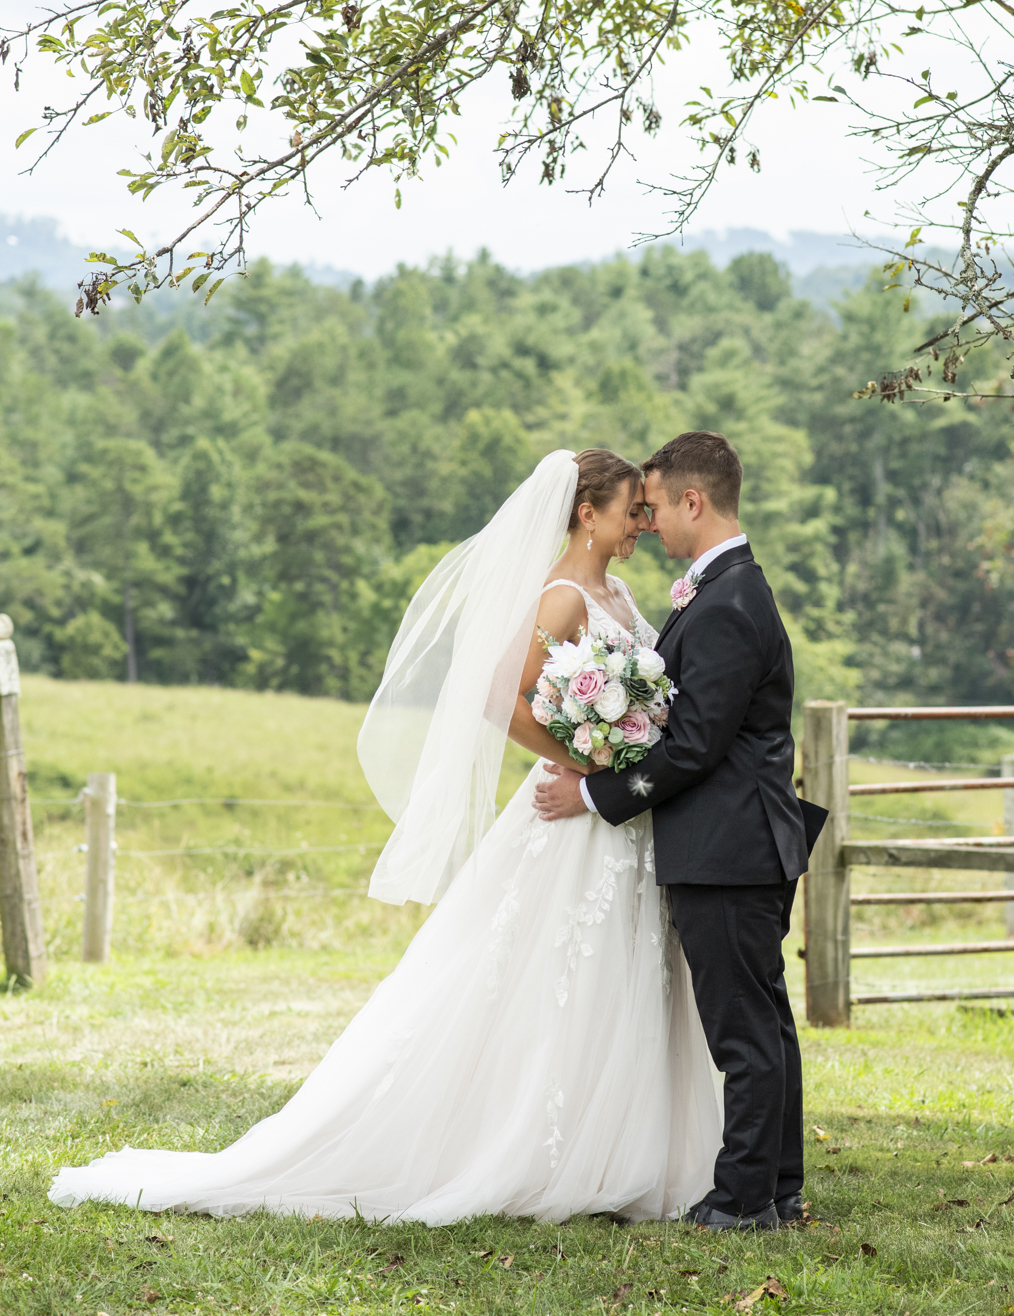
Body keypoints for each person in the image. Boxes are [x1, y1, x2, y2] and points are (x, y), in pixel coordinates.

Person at [48, 449, 722, 1225]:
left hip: (617, 816)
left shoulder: (619, 588)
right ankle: (541, 1153)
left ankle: (626, 1149)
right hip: (573, 811)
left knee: (622, 974)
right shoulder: (564, 596)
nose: (642, 522)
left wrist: (620, 760)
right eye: (631, 509)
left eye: (646, 510)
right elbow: (501, 700)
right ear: (586, 513)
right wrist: (584, 766)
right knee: (558, 975)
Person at [534, 431, 814, 1232]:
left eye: (653, 506)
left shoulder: (726, 602)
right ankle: (775, 1188)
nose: (647, 523)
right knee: (762, 1023)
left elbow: (693, 746)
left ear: (694, 501)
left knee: (743, 1032)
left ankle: (742, 1201)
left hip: (727, 848)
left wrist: (595, 796)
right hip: (734, 842)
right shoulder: (721, 589)